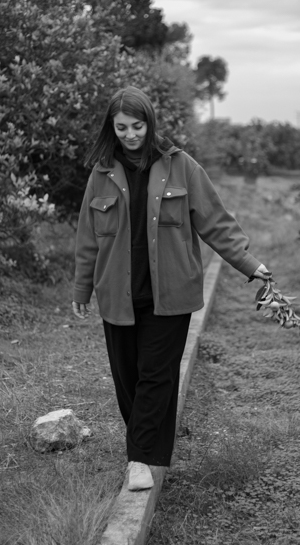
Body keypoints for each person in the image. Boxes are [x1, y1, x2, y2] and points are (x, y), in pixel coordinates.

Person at [72, 86, 271, 491]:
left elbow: (216, 221)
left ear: (150, 123)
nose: (130, 135)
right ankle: (150, 452)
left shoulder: (181, 167)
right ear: (112, 128)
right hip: (118, 296)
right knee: (128, 380)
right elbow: (87, 238)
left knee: (156, 377)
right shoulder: (102, 174)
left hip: (171, 295)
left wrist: (250, 265)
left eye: (137, 126)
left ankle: (139, 459)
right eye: (122, 127)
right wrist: (81, 289)